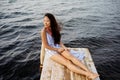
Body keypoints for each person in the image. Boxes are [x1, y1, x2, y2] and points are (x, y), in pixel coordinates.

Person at [40, 13, 99, 80]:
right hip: (51, 50)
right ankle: (87, 74)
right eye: (44, 20)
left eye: (47, 21)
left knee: (71, 57)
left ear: (51, 21)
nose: (45, 22)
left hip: (57, 46)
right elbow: (46, 46)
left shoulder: (54, 28)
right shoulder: (43, 32)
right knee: (67, 62)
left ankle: (89, 71)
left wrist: (64, 47)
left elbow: (58, 41)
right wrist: (57, 50)